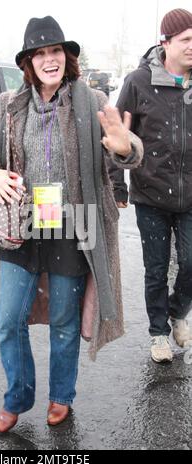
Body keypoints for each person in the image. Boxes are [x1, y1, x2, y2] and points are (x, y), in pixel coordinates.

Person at [0, 15, 143, 433]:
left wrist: (125, 149)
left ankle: (60, 396)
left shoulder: (90, 101)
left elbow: (126, 147)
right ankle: (17, 395)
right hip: (23, 223)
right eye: (40, 53)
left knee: (65, 322)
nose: (50, 60)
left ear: (67, 57)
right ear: (29, 62)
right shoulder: (9, 106)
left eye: (56, 51)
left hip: (75, 224)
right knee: (8, 318)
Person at [109, 8, 192, 363]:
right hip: (151, 194)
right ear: (166, 43)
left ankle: (177, 312)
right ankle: (158, 333)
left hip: (190, 196)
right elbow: (114, 135)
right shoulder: (139, 82)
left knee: (190, 262)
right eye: (186, 40)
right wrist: (118, 185)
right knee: (156, 268)